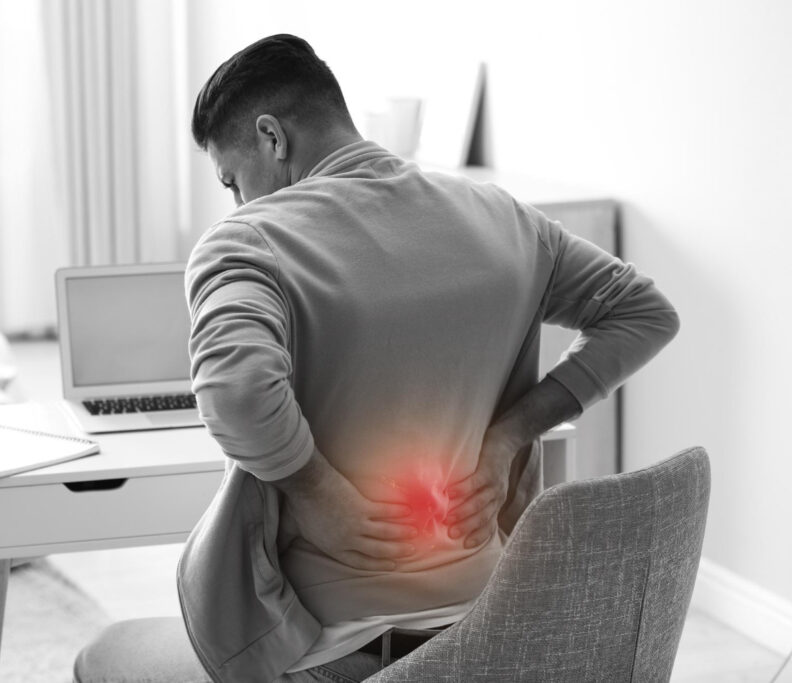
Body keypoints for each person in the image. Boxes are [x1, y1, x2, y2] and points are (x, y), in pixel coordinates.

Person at [74, 34, 679, 683]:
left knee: (100, 657)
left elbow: (238, 392)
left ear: (272, 138)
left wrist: (316, 488)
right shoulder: (502, 217)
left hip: (331, 649)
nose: (237, 200)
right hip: (487, 629)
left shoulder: (247, 241)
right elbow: (645, 314)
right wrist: (509, 434)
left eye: (233, 178)